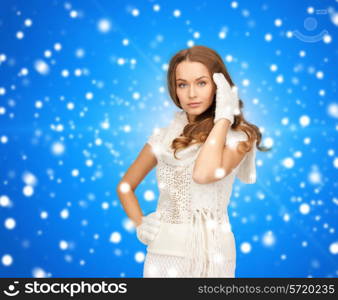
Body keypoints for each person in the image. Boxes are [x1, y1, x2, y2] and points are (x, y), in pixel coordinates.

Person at [117, 45, 270, 278]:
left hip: (215, 256)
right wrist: (141, 223)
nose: (191, 94)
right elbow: (125, 187)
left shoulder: (239, 137)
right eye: (182, 84)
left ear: (219, 87)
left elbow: (203, 174)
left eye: (201, 83)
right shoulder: (164, 138)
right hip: (164, 254)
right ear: (174, 89)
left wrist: (223, 120)